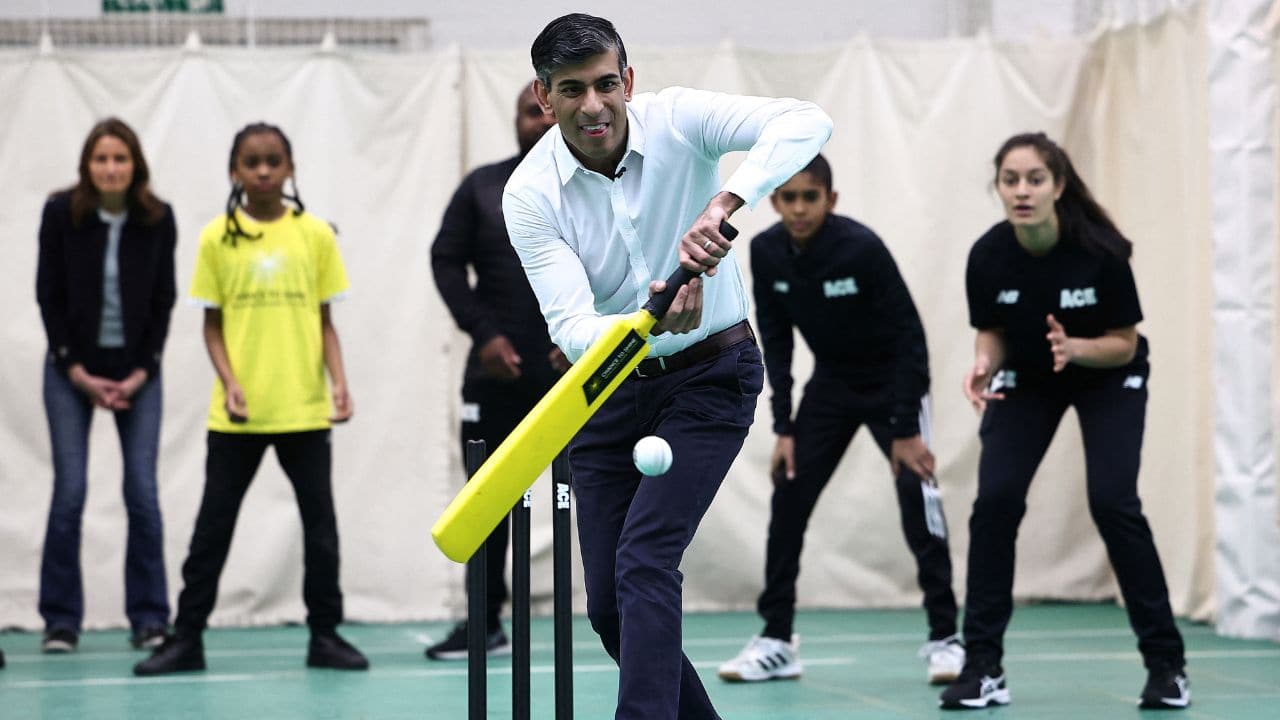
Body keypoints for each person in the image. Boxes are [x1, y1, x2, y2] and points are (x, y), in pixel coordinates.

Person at [503, 13, 831, 719]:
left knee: (646, 560)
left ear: (628, 79)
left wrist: (727, 201)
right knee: (610, 610)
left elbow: (807, 121)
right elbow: (573, 328)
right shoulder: (529, 195)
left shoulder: (680, 119)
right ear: (544, 97)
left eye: (604, 84)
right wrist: (642, 332)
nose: (593, 106)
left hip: (711, 376)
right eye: (571, 90)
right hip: (607, 390)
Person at [940, 132, 1188, 710]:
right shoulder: (988, 255)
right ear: (999, 188)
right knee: (995, 503)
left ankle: (1167, 666)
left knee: (1113, 503)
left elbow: (1125, 344)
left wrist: (1075, 348)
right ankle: (982, 667)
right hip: (1029, 378)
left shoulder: (1101, 251)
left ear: (1058, 186)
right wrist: (983, 364)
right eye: (1010, 180)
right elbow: (992, 331)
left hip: (1108, 374)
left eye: (1035, 179)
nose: (1022, 191)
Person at [717, 154, 962, 686]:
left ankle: (946, 638)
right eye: (789, 198)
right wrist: (784, 428)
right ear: (775, 202)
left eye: (810, 197)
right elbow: (777, 343)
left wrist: (906, 430)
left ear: (831, 200)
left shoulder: (862, 248)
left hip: (894, 384)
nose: (799, 209)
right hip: (832, 386)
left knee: (917, 497)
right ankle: (777, 640)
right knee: (788, 496)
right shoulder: (767, 251)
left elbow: (910, 338)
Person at [134, 123, 367, 675]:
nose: (263, 171)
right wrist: (231, 381)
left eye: (273, 161)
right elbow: (212, 327)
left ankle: (325, 635)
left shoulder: (315, 235)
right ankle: (187, 638)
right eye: (251, 162)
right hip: (237, 416)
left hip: (303, 410)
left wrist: (339, 383)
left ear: (290, 168)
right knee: (211, 530)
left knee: (320, 528)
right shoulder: (217, 238)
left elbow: (324, 322)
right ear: (234, 171)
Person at [425, 82, 563, 660]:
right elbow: (445, 260)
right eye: (530, 112)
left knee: (603, 490)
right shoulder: (483, 187)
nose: (540, 121)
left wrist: (581, 340)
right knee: (485, 498)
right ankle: (483, 623)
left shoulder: (593, 185)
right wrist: (484, 335)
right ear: (515, 120)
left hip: (574, 377)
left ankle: (625, 613)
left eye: (547, 111)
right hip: (495, 376)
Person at [35, 117, 177, 654]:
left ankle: (150, 617)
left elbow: (163, 300)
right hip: (71, 371)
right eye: (102, 159)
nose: (111, 168)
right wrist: (76, 371)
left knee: (142, 492)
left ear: (135, 165)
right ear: (87, 166)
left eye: (121, 158)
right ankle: (60, 620)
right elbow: (48, 295)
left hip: (138, 372)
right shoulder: (60, 214)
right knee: (69, 492)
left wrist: (140, 373)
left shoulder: (158, 219)